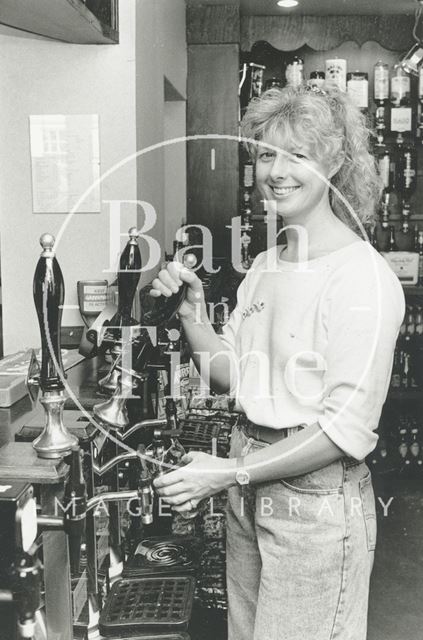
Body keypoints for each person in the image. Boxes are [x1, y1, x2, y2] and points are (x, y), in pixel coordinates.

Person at [150, 83, 405, 640]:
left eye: (299, 155)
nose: (277, 171)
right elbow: (233, 374)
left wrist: (227, 471)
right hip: (251, 488)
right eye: (267, 153)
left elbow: (344, 429)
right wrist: (193, 314)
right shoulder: (267, 263)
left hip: (315, 504)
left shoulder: (362, 278)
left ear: (335, 163)